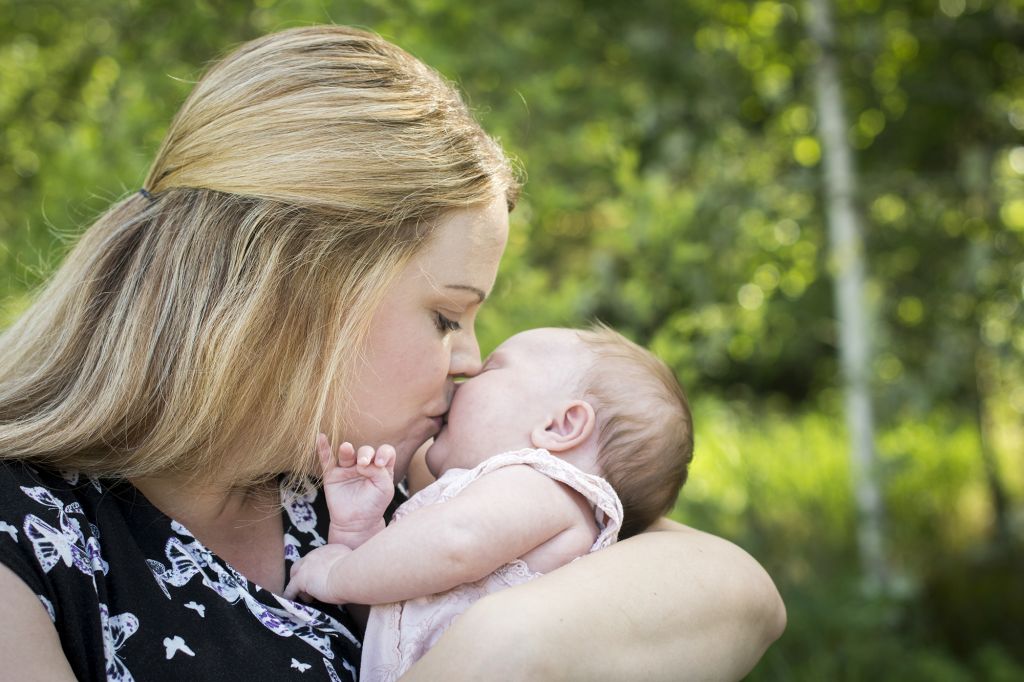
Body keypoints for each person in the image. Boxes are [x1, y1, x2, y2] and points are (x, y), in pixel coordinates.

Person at [0, 24, 784, 682]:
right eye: (448, 316)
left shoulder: (388, 476)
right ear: (302, 288)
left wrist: (501, 647)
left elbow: (743, 592)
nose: (470, 360)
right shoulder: (27, 543)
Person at [284, 325, 694, 681]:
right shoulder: (501, 500)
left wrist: (336, 574)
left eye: (494, 368)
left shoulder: (546, 486)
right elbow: (397, 621)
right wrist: (360, 534)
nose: (466, 377)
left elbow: (454, 543)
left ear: (560, 426)